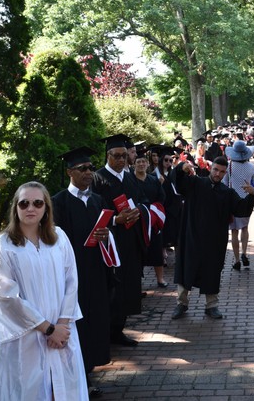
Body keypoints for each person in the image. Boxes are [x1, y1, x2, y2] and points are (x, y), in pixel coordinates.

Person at [0, 181, 89, 400]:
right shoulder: (1, 247)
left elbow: (72, 281)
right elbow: (6, 297)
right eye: (24, 203)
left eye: (37, 203)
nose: (30, 208)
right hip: (26, 336)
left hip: (63, 330)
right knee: (28, 390)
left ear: (46, 208)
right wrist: (48, 329)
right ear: (16, 208)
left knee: (64, 389)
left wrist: (62, 323)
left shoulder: (59, 238)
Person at [51, 147, 112, 398]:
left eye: (90, 167)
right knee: (78, 325)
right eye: (82, 168)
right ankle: (80, 379)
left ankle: (88, 370)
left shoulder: (97, 200)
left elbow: (107, 233)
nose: (89, 172)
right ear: (69, 172)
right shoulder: (58, 202)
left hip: (95, 271)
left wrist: (107, 235)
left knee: (95, 320)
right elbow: (53, 242)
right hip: (71, 274)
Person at [171, 156, 254, 320]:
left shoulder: (227, 193)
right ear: (211, 168)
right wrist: (182, 167)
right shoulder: (195, 184)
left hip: (214, 240)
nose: (218, 174)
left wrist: (252, 195)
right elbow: (178, 182)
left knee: (212, 271)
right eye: (216, 170)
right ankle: (181, 303)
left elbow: (242, 210)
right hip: (192, 236)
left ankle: (211, 305)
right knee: (186, 268)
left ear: (226, 174)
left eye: (222, 172)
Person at [91, 134, 146, 347]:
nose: (122, 160)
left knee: (128, 286)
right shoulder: (98, 178)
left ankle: (119, 330)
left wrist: (139, 211)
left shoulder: (130, 176)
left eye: (124, 155)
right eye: (117, 156)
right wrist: (116, 218)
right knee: (112, 288)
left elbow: (142, 199)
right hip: (110, 240)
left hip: (131, 239)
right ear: (108, 155)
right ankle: (107, 331)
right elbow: (94, 210)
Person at [222, 140, 254, 270]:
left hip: (232, 200)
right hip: (247, 199)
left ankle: (237, 259)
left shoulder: (229, 166)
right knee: (245, 227)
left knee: (234, 231)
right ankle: (244, 253)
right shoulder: (251, 166)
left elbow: (224, 183)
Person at [135, 149, 168, 288]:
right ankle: (139, 281)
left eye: (143, 161)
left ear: (148, 164)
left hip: (153, 221)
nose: (141, 164)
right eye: (138, 162)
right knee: (139, 252)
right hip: (138, 220)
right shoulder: (130, 180)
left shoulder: (153, 180)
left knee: (156, 250)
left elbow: (162, 197)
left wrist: (154, 211)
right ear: (134, 165)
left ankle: (160, 279)